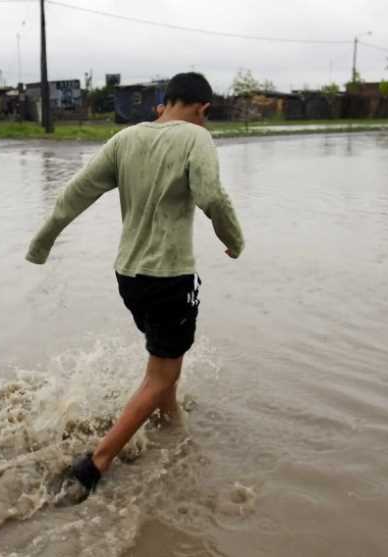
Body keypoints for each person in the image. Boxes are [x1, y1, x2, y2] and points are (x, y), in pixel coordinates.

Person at [25, 72, 244, 498]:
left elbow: (75, 192)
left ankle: (170, 425)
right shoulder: (197, 139)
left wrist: (42, 242)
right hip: (170, 276)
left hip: (128, 277)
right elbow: (212, 197)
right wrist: (233, 240)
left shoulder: (126, 139)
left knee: (164, 361)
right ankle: (95, 463)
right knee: (162, 373)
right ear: (203, 109)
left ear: (164, 102)